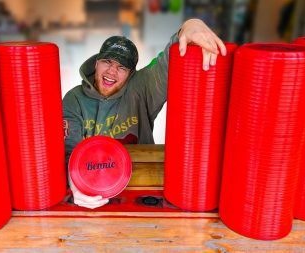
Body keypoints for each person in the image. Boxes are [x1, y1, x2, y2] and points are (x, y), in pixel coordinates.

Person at [63, 19, 226, 209]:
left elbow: (165, 65)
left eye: (121, 67)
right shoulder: (73, 99)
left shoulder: (141, 88)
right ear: (96, 63)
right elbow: (68, 152)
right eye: (107, 62)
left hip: (143, 183)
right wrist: (75, 182)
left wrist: (190, 25)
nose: (111, 72)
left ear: (131, 74)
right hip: (90, 189)